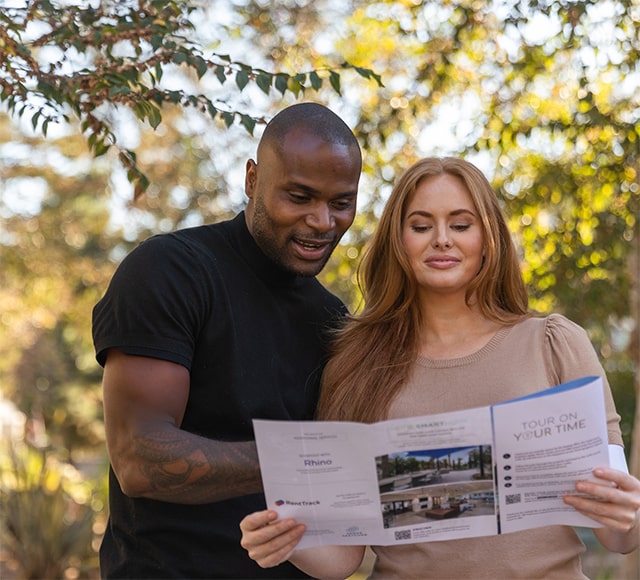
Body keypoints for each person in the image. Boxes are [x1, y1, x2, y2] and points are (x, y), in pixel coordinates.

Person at [239, 157, 640, 579]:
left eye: (461, 225)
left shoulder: (555, 343)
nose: (442, 240)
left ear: (488, 238)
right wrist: (286, 540)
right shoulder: (355, 363)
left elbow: (618, 537)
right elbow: (343, 556)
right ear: (398, 240)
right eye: (421, 225)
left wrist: (627, 512)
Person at [92, 102, 362, 578]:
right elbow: (138, 457)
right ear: (253, 180)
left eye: (341, 203)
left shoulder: (332, 318)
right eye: (300, 196)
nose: (323, 222)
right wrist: (305, 459)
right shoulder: (169, 271)